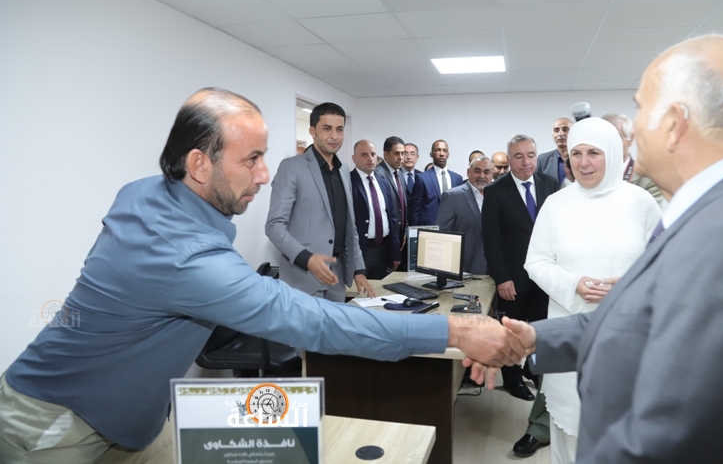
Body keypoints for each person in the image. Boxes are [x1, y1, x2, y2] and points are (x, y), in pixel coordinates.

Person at [0, 88, 527, 463]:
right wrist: (455, 330)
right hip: (59, 423)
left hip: (132, 419)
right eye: (251, 159)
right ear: (199, 165)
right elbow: (316, 323)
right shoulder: (184, 256)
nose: (264, 173)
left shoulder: (147, 192)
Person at [467, 35, 723, 463]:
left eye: (642, 110)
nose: (633, 129)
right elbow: (648, 314)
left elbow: (688, 424)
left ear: (675, 123)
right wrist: (538, 337)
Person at [522, 117, 661, 463]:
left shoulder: (642, 202)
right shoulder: (556, 204)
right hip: (569, 338)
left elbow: (664, 266)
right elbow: (535, 261)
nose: (583, 163)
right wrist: (574, 284)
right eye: (576, 153)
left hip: (628, 338)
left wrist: (628, 286)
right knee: (569, 438)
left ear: (612, 153)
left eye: (594, 153)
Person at [482, 135, 560, 455]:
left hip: (545, 278)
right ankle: (512, 379)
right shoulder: (495, 191)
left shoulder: (550, 184)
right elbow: (491, 241)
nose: (526, 162)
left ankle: (538, 374)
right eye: (518, 156)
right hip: (513, 279)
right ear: (509, 159)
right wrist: (502, 278)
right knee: (512, 333)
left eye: (531, 155)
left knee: (541, 330)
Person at [266, 102, 374, 301]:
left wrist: (358, 270)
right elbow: (274, 226)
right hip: (302, 279)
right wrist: (306, 259)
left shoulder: (343, 170)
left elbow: (349, 226)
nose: (334, 136)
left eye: (339, 129)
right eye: (327, 128)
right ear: (312, 131)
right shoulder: (292, 167)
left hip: (337, 278)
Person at [350, 140, 401, 279]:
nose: (370, 158)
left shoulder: (383, 182)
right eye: (364, 155)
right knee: (358, 291)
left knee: (379, 290)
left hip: (383, 250)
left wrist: (395, 252)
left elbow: (392, 218)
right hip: (361, 251)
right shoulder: (348, 182)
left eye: (373, 154)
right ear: (354, 158)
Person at [435, 155, 493, 275]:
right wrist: (453, 265)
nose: (482, 176)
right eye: (477, 171)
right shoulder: (452, 196)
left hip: (496, 269)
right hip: (466, 269)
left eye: (486, 172)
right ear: (468, 172)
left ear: (492, 175)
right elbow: (442, 235)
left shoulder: (497, 196)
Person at [602, 113, 665, 206]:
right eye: (603, 137)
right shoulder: (588, 174)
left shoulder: (648, 179)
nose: (610, 143)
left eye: (617, 137)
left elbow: (650, 214)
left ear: (630, 139)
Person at [412, 139, 464, 225]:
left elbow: (460, 206)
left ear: (448, 155)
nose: (442, 154)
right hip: (429, 227)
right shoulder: (422, 178)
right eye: (438, 150)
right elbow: (415, 209)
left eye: (445, 150)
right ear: (431, 154)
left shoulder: (457, 178)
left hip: (452, 226)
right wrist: (414, 230)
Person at [374, 136, 408, 234]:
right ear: (386, 154)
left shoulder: (399, 173)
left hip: (400, 232)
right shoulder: (378, 174)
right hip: (387, 234)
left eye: (403, 153)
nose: (401, 157)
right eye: (396, 153)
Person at [536, 117, 573, 186]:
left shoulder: (582, 158)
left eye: (565, 130)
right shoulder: (542, 160)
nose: (560, 134)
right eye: (556, 131)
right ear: (552, 134)